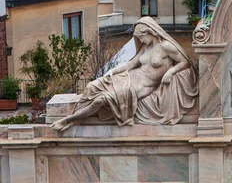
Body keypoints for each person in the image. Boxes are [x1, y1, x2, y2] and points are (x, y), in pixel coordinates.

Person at [51, 17, 198, 131]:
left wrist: (171, 72)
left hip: (142, 85)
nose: (139, 40)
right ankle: (76, 115)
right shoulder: (146, 46)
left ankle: (70, 119)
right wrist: (111, 71)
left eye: (140, 37)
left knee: (101, 100)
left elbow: (185, 62)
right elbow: (131, 64)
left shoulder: (166, 47)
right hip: (129, 77)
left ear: (150, 32)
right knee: (92, 86)